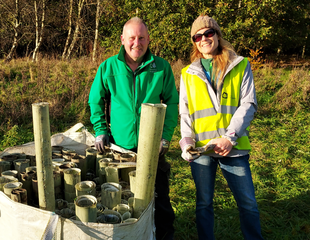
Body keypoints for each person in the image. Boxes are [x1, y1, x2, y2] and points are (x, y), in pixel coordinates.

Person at [88, 17, 179, 240]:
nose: (136, 43)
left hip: (153, 148)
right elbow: (96, 101)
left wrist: (164, 138)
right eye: (131, 38)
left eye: (141, 38)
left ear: (148, 40)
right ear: (122, 39)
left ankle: (163, 235)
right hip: (120, 147)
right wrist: (101, 130)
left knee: (160, 199)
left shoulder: (161, 67)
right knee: (121, 198)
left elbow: (173, 103)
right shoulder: (108, 67)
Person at [179, 15, 264, 240]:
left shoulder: (240, 64)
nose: (204, 39)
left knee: (248, 203)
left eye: (209, 33)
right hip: (202, 149)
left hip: (232, 147)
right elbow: (185, 113)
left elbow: (249, 103)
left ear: (217, 35)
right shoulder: (188, 73)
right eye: (198, 36)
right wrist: (187, 144)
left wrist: (229, 137)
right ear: (194, 42)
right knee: (204, 203)